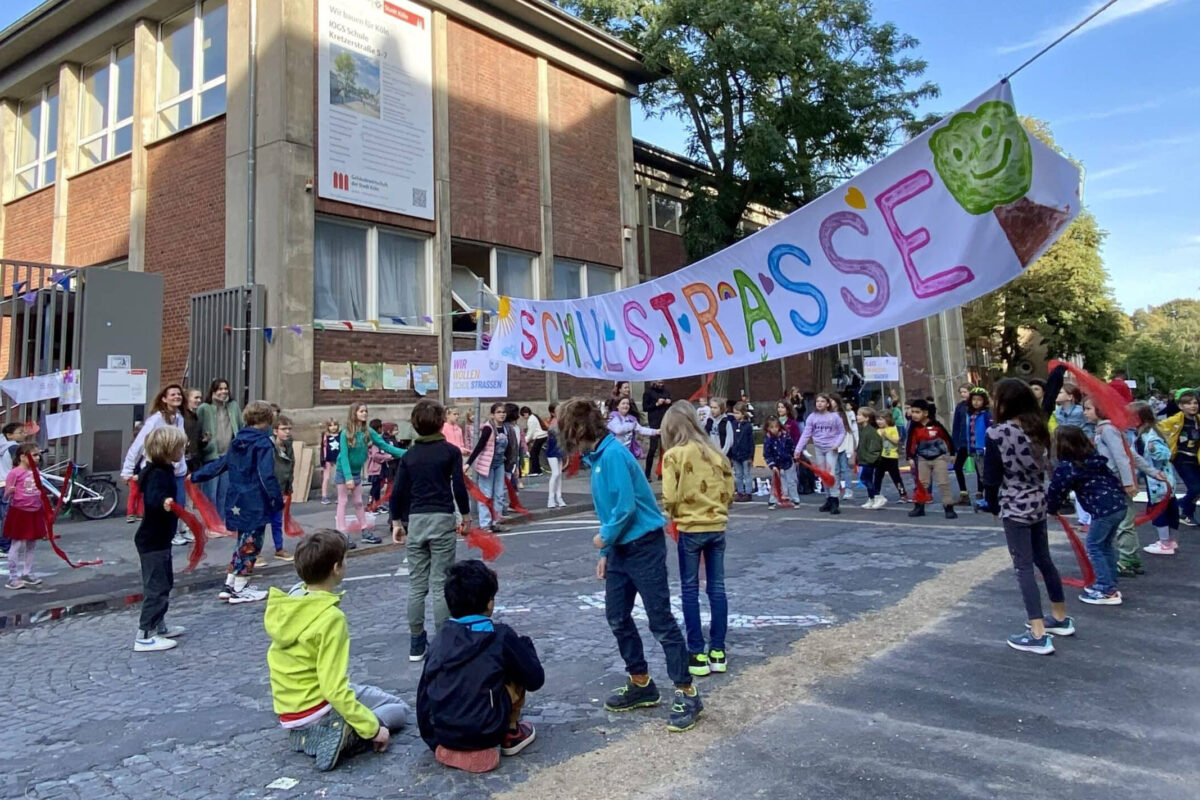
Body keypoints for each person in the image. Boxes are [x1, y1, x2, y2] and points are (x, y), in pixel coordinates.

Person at [557, 397, 701, 732]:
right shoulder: (599, 458)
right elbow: (611, 509)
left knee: (660, 620)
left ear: (578, 430)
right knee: (617, 616)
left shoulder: (614, 455)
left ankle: (686, 691)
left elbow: (623, 509)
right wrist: (605, 554)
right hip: (622, 549)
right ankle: (641, 683)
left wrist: (603, 539)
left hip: (643, 546)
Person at [265, 530, 411, 772]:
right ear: (336, 568)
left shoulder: (291, 600)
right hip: (318, 706)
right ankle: (346, 732)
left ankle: (316, 731)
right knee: (399, 710)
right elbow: (332, 687)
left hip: (290, 710)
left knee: (370, 696)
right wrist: (373, 730)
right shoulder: (331, 618)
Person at [417, 560, 544, 773]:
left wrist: (433, 739)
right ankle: (511, 733)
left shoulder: (439, 640)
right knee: (515, 663)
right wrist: (525, 646)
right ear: (490, 603)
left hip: (443, 734)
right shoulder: (500, 636)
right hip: (487, 730)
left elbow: (423, 694)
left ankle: (453, 745)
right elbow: (535, 679)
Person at [981, 379, 1073, 655]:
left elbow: (991, 477)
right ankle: (1058, 617)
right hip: (1037, 499)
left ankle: (1037, 633)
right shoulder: (1039, 427)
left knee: (1023, 567)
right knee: (1044, 559)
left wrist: (994, 506)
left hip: (1014, 503)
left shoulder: (997, 432)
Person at [390, 399, 472, 663]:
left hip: (416, 520)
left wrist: (396, 522)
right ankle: (443, 643)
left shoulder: (409, 456)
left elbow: (398, 492)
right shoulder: (449, 452)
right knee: (440, 584)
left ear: (414, 424)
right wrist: (467, 516)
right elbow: (459, 487)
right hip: (441, 518)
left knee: (416, 585)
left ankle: (416, 642)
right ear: (440, 422)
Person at [660, 401, 732, 677]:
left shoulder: (674, 455)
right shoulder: (714, 453)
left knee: (689, 588)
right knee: (717, 588)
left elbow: (670, 495)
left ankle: (697, 652)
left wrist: (675, 514)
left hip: (691, 526)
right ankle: (718, 650)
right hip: (716, 524)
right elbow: (729, 488)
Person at [192, 401, 284, 604]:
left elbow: (220, 465)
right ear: (267, 420)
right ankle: (241, 587)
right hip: (255, 500)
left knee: (242, 540)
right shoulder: (262, 443)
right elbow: (265, 475)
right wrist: (276, 498)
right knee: (252, 543)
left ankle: (230, 583)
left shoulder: (237, 441)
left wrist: (196, 476)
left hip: (236, 499)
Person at [1047, 425, 1128, 607]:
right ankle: (1109, 582)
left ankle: (1106, 589)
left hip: (1103, 510)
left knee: (1094, 545)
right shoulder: (1094, 459)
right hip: (1118, 505)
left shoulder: (1069, 466)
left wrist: (1051, 508)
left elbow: (1057, 489)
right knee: (1105, 545)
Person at [133, 427, 189, 652]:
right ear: (168, 449)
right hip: (153, 540)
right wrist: (165, 502)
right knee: (156, 586)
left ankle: (159, 625)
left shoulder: (162, 469)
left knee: (165, 582)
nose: (183, 451)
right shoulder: (157, 473)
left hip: (160, 538)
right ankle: (144, 634)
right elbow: (155, 496)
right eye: (180, 447)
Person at [120, 385, 188, 539]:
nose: (177, 396)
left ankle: (178, 531)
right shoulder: (155, 419)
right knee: (163, 505)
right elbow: (138, 445)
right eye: (173, 394)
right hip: (159, 469)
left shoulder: (179, 418)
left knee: (180, 504)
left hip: (177, 470)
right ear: (164, 399)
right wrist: (127, 470)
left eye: (179, 394)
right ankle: (167, 534)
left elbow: (180, 445)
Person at [1083, 397, 1140, 577]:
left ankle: (1127, 559)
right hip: (1114, 481)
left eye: (1088, 409)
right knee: (1124, 521)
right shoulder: (1103, 429)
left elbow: (1121, 457)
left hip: (1116, 482)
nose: (1085, 412)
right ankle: (1131, 558)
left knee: (1125, 523)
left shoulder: (1107, 430)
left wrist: (1127, 482)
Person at [334, 403, 406, 546]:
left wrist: (406, 453)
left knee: (359, 502)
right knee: (342, 501)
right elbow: (344, 456)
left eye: (366, 411)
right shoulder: (345, 433)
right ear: (354, 413)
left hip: (356, 472)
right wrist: (348, 477)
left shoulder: (368, 431)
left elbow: (384, 445)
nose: (364, 413)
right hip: (344, 471)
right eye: (361, 411)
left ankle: (365, 530)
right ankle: (342, 533)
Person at [1131, 402, 1180, 556]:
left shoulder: (1148, 436)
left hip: (1158, 482)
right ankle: (1170, 540)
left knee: (1159, 511)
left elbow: (1164, 454)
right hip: (1164, 480)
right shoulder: (1148, 433)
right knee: (1170, 509)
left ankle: (1164, 543)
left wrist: (1154, 450)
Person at [196, 378, 244, 514]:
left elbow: (240, 426)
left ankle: (221, 524)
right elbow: (196, 428)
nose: (223, 391)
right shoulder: (205, 408)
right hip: (211, 456)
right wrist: (203, 441)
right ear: (213, 391)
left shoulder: (233, 406)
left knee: (224, 493)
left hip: (228, 456)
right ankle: (210, 524)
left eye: (225, 388)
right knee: (210, 493)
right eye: (220, 389)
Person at [3, 444, 47, 591]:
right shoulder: (15, 473)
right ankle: (13, 577)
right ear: (22, 457)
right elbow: (6, 497)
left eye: (38, 455)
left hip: (35, 511)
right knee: (16, 544)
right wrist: (9, 491)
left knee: (32, 544)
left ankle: (27, 572)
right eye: (34, 455)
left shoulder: (36, 471)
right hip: (20, 511)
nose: (38, 458)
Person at [793, 394, 846, 514]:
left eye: (823, 401)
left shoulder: (835, 417)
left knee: (830, 474)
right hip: (819, 448)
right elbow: (806, 434)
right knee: (822, 475)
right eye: (818, 401)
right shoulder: (812, 417)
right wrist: (798, 449)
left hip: (831, 449)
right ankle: (828, 499)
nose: (820, 403)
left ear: (828, 404)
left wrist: (836, 444)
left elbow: (841, 433)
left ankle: (835, 500)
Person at [906, 399, 958, 519]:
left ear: (925, 413)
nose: (914, 414)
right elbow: (911, 442)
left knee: (943, 482)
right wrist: (910, 457)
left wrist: (952, 453)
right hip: (923, 458)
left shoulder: (936, 425)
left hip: (939, 458)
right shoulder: (914, 427)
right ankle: (919, 507)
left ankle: (948, 507)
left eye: (917, 412)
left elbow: (947, 438)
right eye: (912, 411)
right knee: (922, 483)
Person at [467, 403, 512, 532]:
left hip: (499, 464)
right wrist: (468, 463)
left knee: (499, 494)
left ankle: (495, 521)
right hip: (487, 465)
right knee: (486, 493)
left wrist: (512, 465)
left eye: (503, 412)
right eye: (498, 412)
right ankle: (485, 524)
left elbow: (509, 449)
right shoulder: (488, 428)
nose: (502, 414)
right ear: (492, 414)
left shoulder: (506, 428)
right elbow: (480, 446)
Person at [1161, 390, 1199, 527]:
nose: (1193, 406)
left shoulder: (1198, 420)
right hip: (1181, 458)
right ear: (1181, 406)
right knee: (1195, 488)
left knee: (1197, 489)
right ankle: (1179, 505)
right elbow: (1158, 427)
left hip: (1196, 458)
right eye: (1188, 403)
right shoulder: (1176, 419)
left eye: (1195, 403)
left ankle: (1186, 514)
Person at [268, 415, 296, 563]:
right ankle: (255, 552)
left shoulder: (288, 446)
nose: (287, 432)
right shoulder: (268, 446)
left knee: (277, 520)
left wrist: (288, 487)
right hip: (267, 489)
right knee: (260, 522)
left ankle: (279, 548)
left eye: (289, 429)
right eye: (284, 429)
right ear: (275, 431)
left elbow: (290, 467)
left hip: (281, 488)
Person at [0, 421, 27, 555]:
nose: (24, 434)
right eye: (21, 432)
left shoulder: (2, 446)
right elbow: (21, 465)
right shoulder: (14, 448)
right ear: (9, 435)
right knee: (8, 517)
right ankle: (5, 546)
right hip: (8, 485)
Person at [762, 416, 798, 509]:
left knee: (791, 481)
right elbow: (767, 454)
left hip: (787, 461)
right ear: (767, 428)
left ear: (779, 426)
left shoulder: (786, 436)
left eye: (776, 427)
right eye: (771, 427)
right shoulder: (768, 439)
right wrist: (772, 465)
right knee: (775, 482)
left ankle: (795, 499)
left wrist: (795, 457)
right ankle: (772, 500)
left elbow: (791, 447)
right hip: (776, 463)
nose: (774, 429)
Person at [873, 412, 908, 504]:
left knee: (896, 477)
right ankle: (875, 494)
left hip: (891, 457)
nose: (878, 422)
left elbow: (896, 441)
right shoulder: (878, 431)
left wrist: (886, 435)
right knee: (877, 476)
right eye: (877, 420)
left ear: (888, 420)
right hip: (881, 457)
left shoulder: (892, 429)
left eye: (881, 419)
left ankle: (903, 494)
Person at [967, 388, 993, 509]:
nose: (976, 402)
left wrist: (988, 447)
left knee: (987, 475)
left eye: (979, 400)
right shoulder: (972, 415)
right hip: (975, 449)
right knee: (982, 475)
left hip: (984, 449)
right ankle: (988, 498)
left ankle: (990, 499)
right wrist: (970, 448)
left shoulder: (986, 415)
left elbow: (990, 431)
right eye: (974, 399)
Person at [829, 395, 859, 500]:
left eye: (832, 401)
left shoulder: (846, 415)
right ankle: (836, 489)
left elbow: (852, 430)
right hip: (831, 446)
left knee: (845, 468)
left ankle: (848, 490)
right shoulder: (826, 415)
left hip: (843, 445)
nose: (830, 403)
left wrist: (853, 447)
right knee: (835, 469)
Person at [642, 380, 672, 478]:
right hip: (654, 422)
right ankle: (647, 474)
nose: (661, 384)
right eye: (659, 383)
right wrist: (656, 404)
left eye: (662, 382)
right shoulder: (648, 392)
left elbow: (671, 403)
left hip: (665, 421)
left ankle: (662, 473)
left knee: (665, 449)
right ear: (654, 383)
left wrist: (669, 401)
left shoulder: (666, 391)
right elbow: (645, 407)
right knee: (653, 448)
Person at [855, 407, 883, 509]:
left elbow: (875, 447)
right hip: (864, 459)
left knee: (866, 479)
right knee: (866, 479)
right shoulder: (863, 429)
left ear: (866, 418)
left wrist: (869, 458)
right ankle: (871, 498)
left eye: (859, 415)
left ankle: (877, 496)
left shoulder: (871, 431)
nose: (857, 416)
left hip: (869, 460)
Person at [727, 402, 755, 502]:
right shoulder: (732, 424)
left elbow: (751, 442)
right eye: (734, 413)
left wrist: (751, 456)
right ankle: (740, 492)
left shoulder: (747, 426)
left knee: (746, 474)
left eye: (737, 413)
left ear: (743, 414)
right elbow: (730, 439)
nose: (735, 415)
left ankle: (748, 493)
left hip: (745, 454)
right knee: (738, 474)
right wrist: (730, 454)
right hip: (735, 454)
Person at [950, 384, 973, 505]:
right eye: (961, 392)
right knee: (957, 466)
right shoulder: (960, 407)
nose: (963, 394)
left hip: (975, 442)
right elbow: (956, 427)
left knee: (980, 470)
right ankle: (964, 493)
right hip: (963, 442)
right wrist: (953, 448)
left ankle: (981, 493)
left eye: (965, 392)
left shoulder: (975, 406)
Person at [544, 403, 566, 509]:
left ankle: (559, 497)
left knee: (559, 475)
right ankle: (551, 498)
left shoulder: (561, 422)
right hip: (552, 451)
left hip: (559, 450)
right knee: (555, 473)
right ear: (553, 412)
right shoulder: (553, 423)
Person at [520, 407, 548, 476]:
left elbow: (530, 433)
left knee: (533, 454)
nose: (524, 418)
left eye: (523, 416)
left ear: (525, 414)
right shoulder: (533, 417)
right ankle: (538, 471)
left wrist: (524, 441)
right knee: (535, 454)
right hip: (542, 436)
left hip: (540, 437)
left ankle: (535, 471)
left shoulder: (531, 420)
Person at [319, 419, 341, 505]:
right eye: (331, 425)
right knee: (326, 477)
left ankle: (340, 496)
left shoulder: (340, 435)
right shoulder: (326, 436)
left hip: (338, 458)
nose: (333, 427)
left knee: (339, 478)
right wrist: (322, 459)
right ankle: (324, 496)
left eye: (335, 425)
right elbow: (323, 448)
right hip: (328, 458)